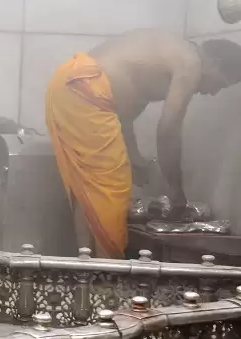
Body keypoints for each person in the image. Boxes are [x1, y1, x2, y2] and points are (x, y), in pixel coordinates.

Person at [45, 29, 241, 259]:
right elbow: (168, 131)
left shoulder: (161, 59)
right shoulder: (190, 63)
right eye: (221, 84)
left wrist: (135, 155)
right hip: (85, 89)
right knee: (112, 187)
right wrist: (176, 191)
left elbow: (123, 111)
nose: (214, 92)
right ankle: (107, 271)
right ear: (215, 63)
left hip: (68, 83)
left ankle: (87, 268)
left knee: (88, 188)